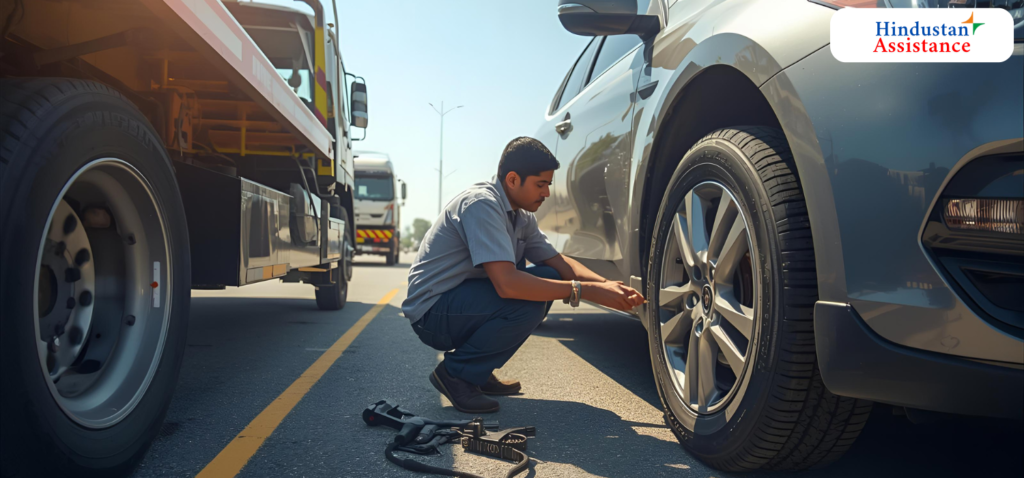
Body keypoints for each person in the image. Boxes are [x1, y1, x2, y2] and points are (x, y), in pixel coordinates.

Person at [402, 137, 645, 413]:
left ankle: (476, 371)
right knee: (526, 302)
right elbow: (507, 285)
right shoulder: (481, 205)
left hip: (461, 303)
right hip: (433, 314)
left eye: (548, 185)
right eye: (540, 185)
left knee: (549, 275)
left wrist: (608, 287)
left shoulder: (521, 214)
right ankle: (457, 375)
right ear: (513, 179)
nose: (547, 194)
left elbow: (557, 261)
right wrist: (583, 291)